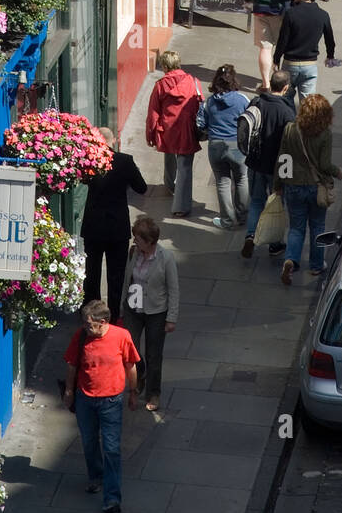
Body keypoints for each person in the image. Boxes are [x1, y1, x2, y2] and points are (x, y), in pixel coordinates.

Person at [63, 299, 139, 513]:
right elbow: (72, 366)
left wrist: (133, 393)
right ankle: (96, 476)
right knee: (88, 442)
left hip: (111, 401)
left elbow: (130, 366)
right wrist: (69, 391)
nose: (85, 327)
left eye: (89, 324)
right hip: (85, 399)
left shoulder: (121, 336)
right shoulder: (81, 337)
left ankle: (112, 497)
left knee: (112, 448)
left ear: (103, 322)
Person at [81, 126, 148, 323]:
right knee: (116, 274)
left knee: (92, 272)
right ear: (114, 140)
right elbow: (141, 188)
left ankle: (91, 313)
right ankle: (115, 315)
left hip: (93, 226)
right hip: (117, 226)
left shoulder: (89, 160)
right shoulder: (124, 161)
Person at [276, 93, 342, 285]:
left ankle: (291, 260)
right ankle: (315, 265)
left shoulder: (290, 129)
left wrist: (278, 185)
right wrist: (337, 171)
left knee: (296, 228)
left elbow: (283, 159)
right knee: (317, 226)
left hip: (294, 185)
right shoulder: (325, 134)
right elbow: (324, 165)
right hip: (316, 188)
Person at [120, 214, 179, 412]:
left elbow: (173, 289)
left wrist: (171, 318)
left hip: (156, 311)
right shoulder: (133, 253)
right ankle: (141, 376)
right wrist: (122, 307)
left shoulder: (166, 258)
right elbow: (127, 281)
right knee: (132, 351)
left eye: (138, 238)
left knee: (154, 354)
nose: (134, 241)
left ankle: (154, 392)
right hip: (132, 308)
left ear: (150, 241)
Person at [239, 68, 295, 259]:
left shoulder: (257, 102)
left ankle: (250, 235)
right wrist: (286, 174)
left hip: (255, 162)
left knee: (256, 201)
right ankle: (275, 244)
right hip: (276, 168)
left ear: (271, 84)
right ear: (286, 87)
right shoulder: (287, 113)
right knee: (276, 205)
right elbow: (289, 147)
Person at [145, 50, 203, 219]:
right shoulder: (193, 81)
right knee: (185, 166)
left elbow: (153, 112)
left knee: (169, 155)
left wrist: (150, 134)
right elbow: (201, 104)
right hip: (187, 128)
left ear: (164, 66)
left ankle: (170, 185)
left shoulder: (160, 85)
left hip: (168, 128)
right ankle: (181, 205)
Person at [198, 63, 250, 230]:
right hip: (238, 146)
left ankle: (227, 220)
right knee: (242, 179)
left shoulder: (209, 103)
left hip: (216, 146)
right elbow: (251, 120)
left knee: (222, 182)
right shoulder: (242, 100)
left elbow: (200, 124)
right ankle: (242, 216)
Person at [273, 0, 337, 103]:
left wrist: (276, 60)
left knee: (285, 100)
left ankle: (288, 121)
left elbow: (282, 41)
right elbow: (330, 40)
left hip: (290, 64)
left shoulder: (291, 14)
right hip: (310, 66)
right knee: (307, 103)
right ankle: (306, 122)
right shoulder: (323, 15)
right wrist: (330, 56)